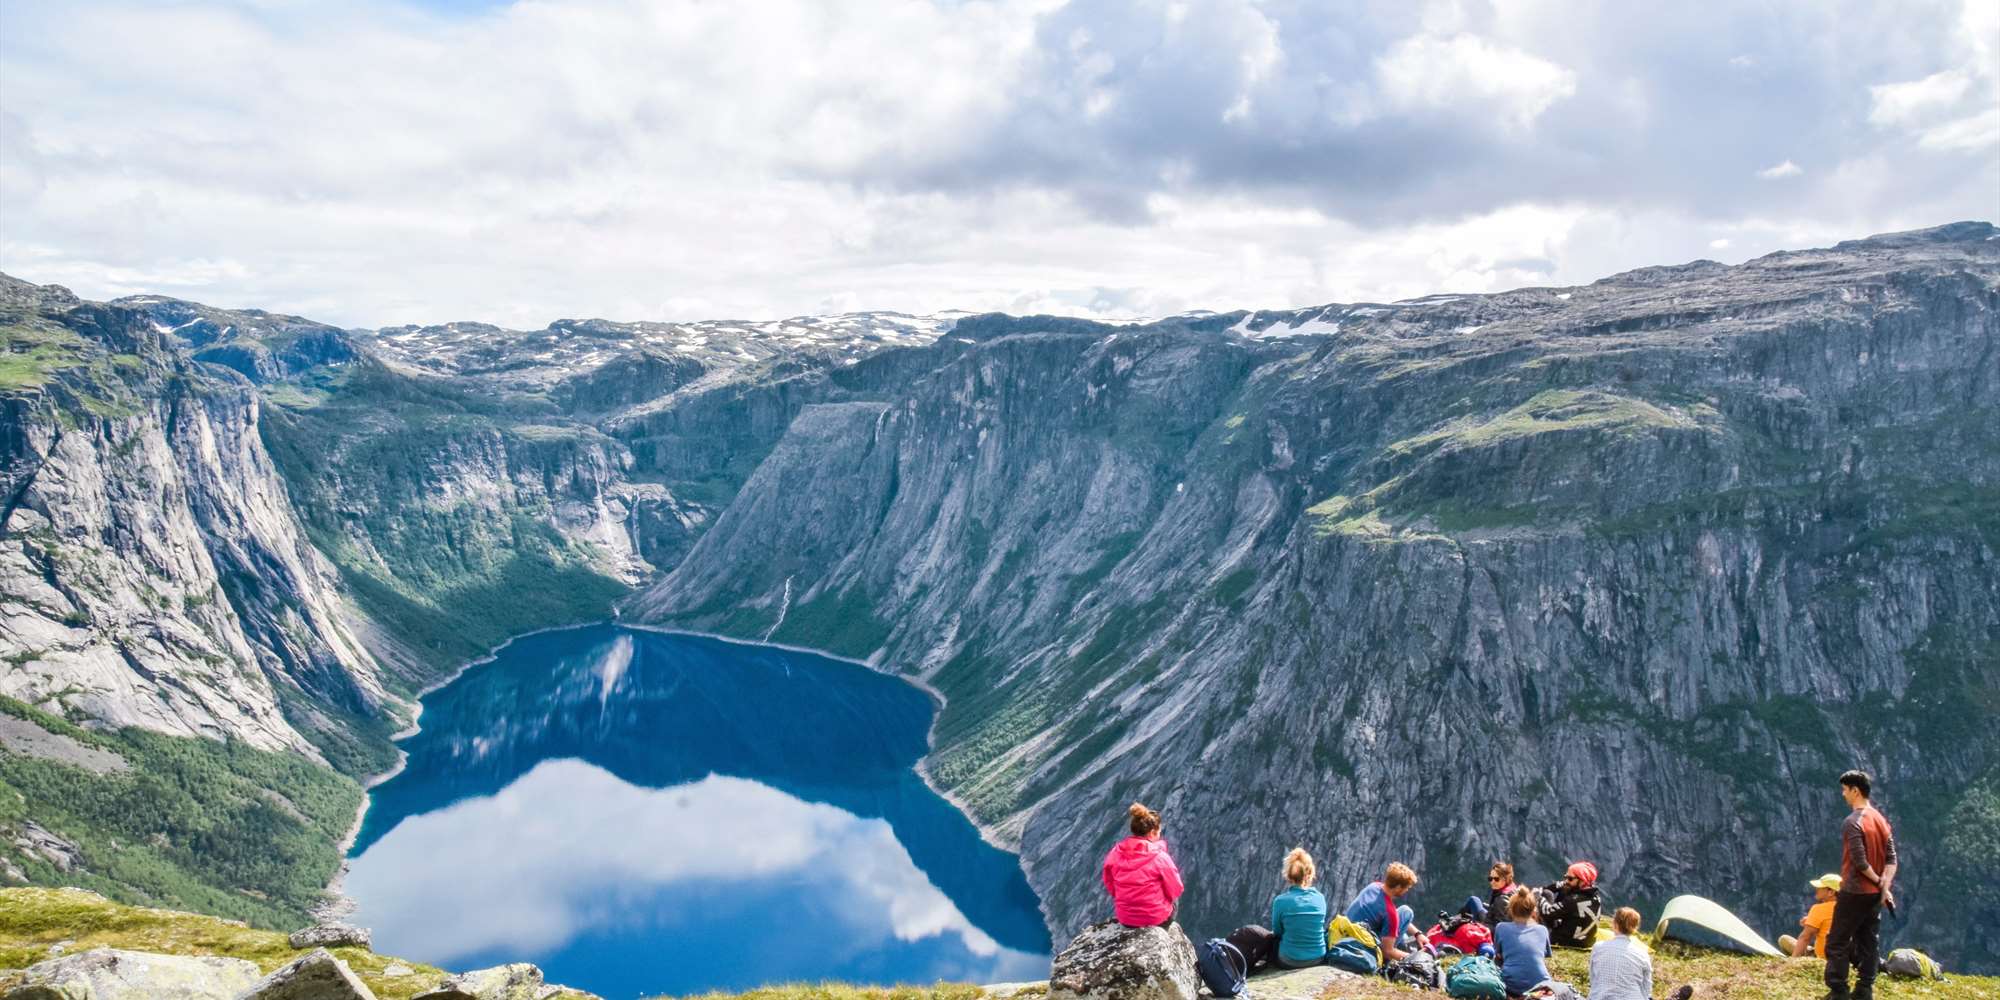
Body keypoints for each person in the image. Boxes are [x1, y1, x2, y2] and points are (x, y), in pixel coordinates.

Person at [1824, 770, 1897, 1000]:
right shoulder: (1880, 820)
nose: (1843, 795)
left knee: (1837, 940)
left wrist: (1877, 881)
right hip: (1874, 896)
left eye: (1845, 790)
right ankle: (1865, 989)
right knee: (1869, 941)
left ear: (1855, 790)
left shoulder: (1852, 822)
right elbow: (1891, 859)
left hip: (1854, 891)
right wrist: (1884, 888)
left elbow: (1860, 861)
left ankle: (1839, 991)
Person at [1100, 802, 1183, 928]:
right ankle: (1163, 933)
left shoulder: (1115, 853)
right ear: (1152, 832)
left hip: (1126, 920)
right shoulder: (1160, 857)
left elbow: (1109, 882)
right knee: (1175, 900)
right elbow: (1176, 888)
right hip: (1156, 919)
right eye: (1159, 831)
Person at [1345, 861, 1421, 961]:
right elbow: (1387, 952)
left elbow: (1391, 917)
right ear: (1398, 887)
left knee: (1405, 912)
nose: (1407, 890)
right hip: (1363, 949)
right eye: (1407, 887)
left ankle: (1404, 944)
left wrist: (1417, 934)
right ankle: (1390, 961)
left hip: (1347, 934)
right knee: (1407, 913)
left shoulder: (1373, 886)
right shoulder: (1390, 913)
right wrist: (1414, 958)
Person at [1269, 847, 1329, 968]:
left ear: (1289, 875)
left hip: (1289, 960)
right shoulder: (1320, 898)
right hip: (1318, 957)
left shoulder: (1280, 901)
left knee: (1271, 941)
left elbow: (1278, 932)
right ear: (1309, 873)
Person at [1494, 886, 1552, 997]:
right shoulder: (1542, 930)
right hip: (1541, 985)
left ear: (1510, 909)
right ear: (1533, 910)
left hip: (1510, 985)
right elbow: (1544, 956)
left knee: (1498, 959)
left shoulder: (1501, 927)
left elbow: (1499, 955)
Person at [1538, 861, 1605, 949]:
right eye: (1565, 877)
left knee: (1546, 895)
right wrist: (1558, 885)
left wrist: (1538, 897)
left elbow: (1547, 912)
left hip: (1565, 941)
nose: (1566, 881)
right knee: (1558, 892)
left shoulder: (1573, 901)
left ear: (1582, 880)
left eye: (1570, 879)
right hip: (1586, 942)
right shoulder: (1596, 898)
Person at [1777, 874, 1841, 958]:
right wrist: (1812, 921)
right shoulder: (1849, 908)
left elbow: (1805, 937)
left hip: (1822, 958)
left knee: (1783, 939)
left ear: (1831, 892)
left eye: (1820, 887)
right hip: (1842, 957)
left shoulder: (1819, 909)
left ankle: (1795, 960)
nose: (1816, 889)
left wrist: (1793, 961)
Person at [1463, 861, 1518, 926]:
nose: (1492, 882)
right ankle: (1456, 921)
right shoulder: (1513, 890)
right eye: (1490, 878)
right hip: (1491, 918)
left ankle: (1453, 924)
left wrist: (1479, 926)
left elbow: (1500, 927)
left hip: (1487, 927)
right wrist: (1490, 907)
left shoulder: (1502, 900)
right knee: (1478, 903)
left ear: (1505, 879)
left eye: (1496, 879)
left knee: (1473, 900)